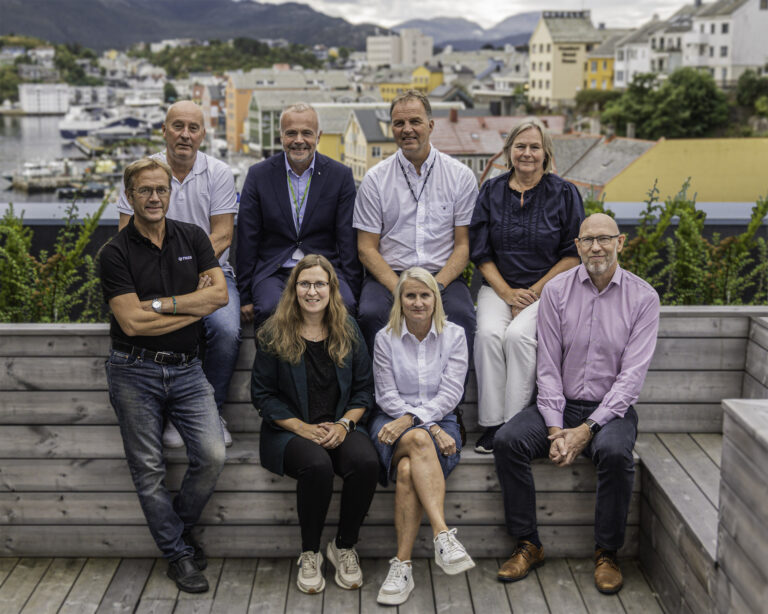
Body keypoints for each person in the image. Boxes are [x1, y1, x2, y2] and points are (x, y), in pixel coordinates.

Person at [493, 213, 660, 594]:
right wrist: (556, 430)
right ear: (578, 246)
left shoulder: (644, 298)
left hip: (611, 410)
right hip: (561, 404)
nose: (596, 247)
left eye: (604, 239)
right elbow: (548, 366)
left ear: (620, 242)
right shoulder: (557, 290)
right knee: (507, 441)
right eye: (588, 240)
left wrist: (587, 430)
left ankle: (607, 552)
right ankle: (528, 544)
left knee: (615, 454)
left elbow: (631, 379)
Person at [100, 158, 228, 593]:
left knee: (213, 454)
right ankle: (178, 555)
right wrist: (192, 304)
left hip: (188, 369)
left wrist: (160, 305)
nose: (154, 198)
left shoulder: (192, 236)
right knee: (148, 469)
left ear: (170, 193)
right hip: (132, 370)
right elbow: (132, 324)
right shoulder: (114, 253)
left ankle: (179, 532)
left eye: (161, 190)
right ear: (130, 196)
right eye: (144, 191)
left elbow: (219, 296)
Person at [250, 254, 378, 595]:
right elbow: (262, 396)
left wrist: (344, 425)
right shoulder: (273, 331)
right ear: (293, 288)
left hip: (339, 425)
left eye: (319, 284)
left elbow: (364, 390)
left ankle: (344, 546)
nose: (312, 291)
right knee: (318, 466)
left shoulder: (348, 328)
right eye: (304, 283)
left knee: (367, 462)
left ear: (331, 288)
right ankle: (310, 553)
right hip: (290, 431)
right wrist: (302, 428)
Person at [116, 100, 240, 448]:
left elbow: (223, 235)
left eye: (193, 128)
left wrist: (194, 271)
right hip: (155, 278)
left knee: (226, 331)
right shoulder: (142, 173)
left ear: (203, 134)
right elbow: (126, 236)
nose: (185, 134)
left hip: (211, 273)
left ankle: (211, 412)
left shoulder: (218, 172)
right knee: (153, 326)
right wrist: (178, 277)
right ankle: (169, 414)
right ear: (164, 130)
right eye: (178, 126)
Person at [470, 118, 584, 454]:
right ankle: (493, 424)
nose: (527, 153)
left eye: (535, 147)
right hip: (498, 288)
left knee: (518, 337)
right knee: (488, 335)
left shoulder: (564, 193)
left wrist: (533, 293)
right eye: (520, 146)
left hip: (547, 291)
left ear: (546, 153)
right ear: (509, 152)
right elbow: (480, 252)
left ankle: (513, 426)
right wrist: (507, 293)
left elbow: (573, 254)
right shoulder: (491, 191)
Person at [369, 267, 475, 606]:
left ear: (435, 299)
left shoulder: (454, 335)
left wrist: (420, 422)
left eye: (424, 295)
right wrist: (426, 427)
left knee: (406, 471)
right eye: (410, 295)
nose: (418, 302)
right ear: (400, 300)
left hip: (442, 421)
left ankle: (402, 566)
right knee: (417, 440)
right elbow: (386, 396)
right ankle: (442, 534)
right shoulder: (385, 337)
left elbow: (451, 394)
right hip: (390, 424)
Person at [354, 90, 478, 357]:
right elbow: (366, 248)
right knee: (371, 314)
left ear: (431, 125)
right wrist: (402, 288)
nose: (407, 129)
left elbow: (463, 245)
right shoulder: (375, 180)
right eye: (399, 123)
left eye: (415, 121)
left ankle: (453, 386)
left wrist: (435, 287)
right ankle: (376, 385)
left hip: (442, 276)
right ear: (392, 129)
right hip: (390, 274)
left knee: (462, 317)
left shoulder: (460, 176)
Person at [237, 103, 361, 329]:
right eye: (291, 133)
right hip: (275, 270)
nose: (299, 140)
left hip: (324, 268)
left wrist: (353, 289)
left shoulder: (340, 176)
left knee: (346, 305)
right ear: (281, 136)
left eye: (307, 133)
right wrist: (244, 296)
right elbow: (247, 239)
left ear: (319, 136)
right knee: (269, 308)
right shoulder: (258, 175)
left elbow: (347, 240)